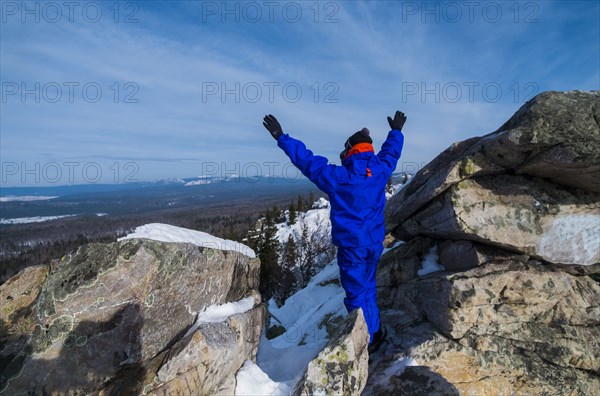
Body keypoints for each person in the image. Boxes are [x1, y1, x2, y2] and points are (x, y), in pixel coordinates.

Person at [262, 111, 406, 353]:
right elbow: (391, 152)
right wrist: (396, 132)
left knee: (356, 296)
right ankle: (376, 331)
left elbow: (307, 162)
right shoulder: (380, 169)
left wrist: (281, 137)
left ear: (350, 150)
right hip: (374, 243)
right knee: (368, 288)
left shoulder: (340, 177)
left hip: (352, 247)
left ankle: (367, 343)